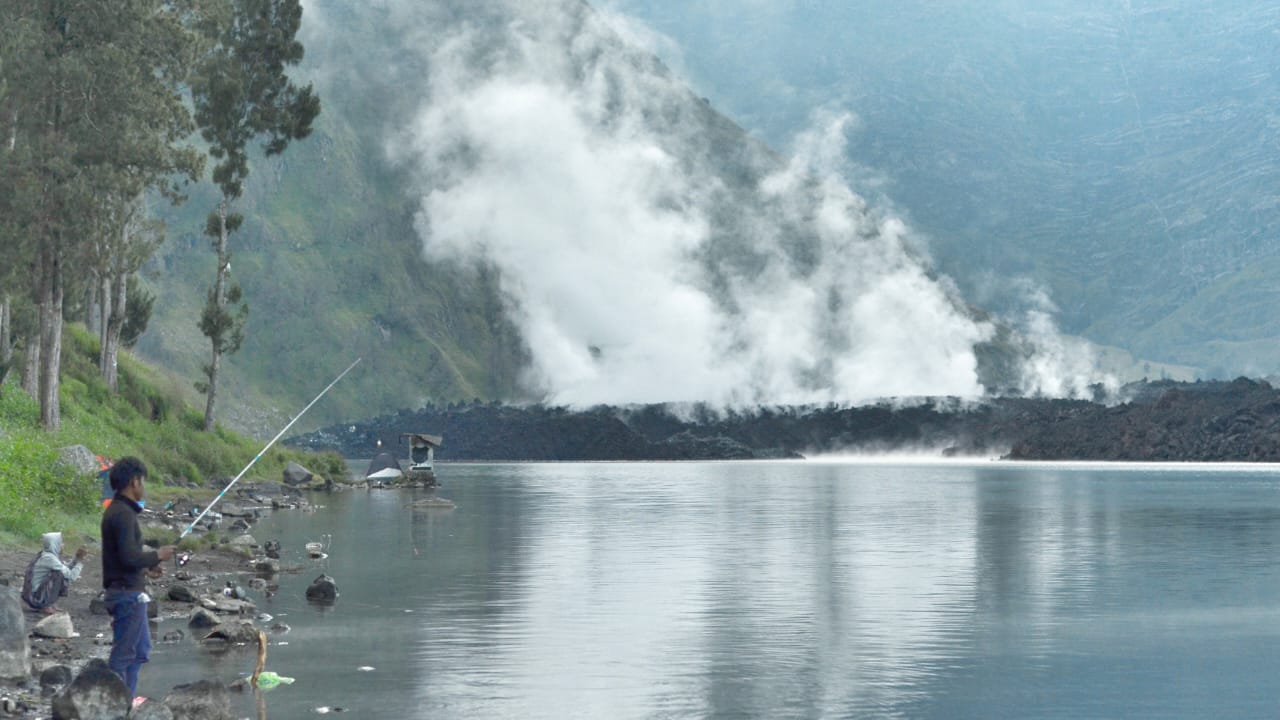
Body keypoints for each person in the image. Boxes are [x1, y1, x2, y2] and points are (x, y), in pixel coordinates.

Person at [100, 456, 175, 698]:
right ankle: (114, 704)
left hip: (130, 591)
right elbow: (129, 557)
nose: (144, 487)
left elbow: (123, 558)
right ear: (134, 482)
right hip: (126, 596)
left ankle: (127, 700)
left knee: (141, 649)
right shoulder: (122, 514)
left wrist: (146, 569)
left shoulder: (120, 511)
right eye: (143, 481)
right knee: (124, 655)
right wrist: (157, 555)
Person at [21, 531, 87, 614]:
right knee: (59, 574)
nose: (63, 545)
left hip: (33, 594)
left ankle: (49, 603)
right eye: (61, 542)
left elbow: (65, 568)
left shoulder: (47, 555)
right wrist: (80, 561)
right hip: (34, 598)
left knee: (60, 573)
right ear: (54, 544)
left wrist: (76, 558)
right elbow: (71, 576)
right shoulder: (49, 558)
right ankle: (45, 605)